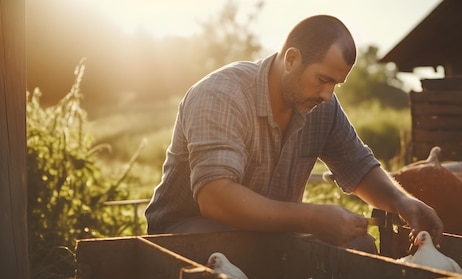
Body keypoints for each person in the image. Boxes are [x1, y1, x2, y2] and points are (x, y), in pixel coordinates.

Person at [144, 15, 443, 253]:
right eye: (323, 80)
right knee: (237, 253)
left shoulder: (320, 105)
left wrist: (402, 202)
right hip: (190, 231)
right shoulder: (222, 95)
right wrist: (311, 218)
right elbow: (215, 199)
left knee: (360, 247)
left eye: (336, 85)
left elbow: (359, 167)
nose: (327, 95)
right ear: (291, 59)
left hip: (269, 235)